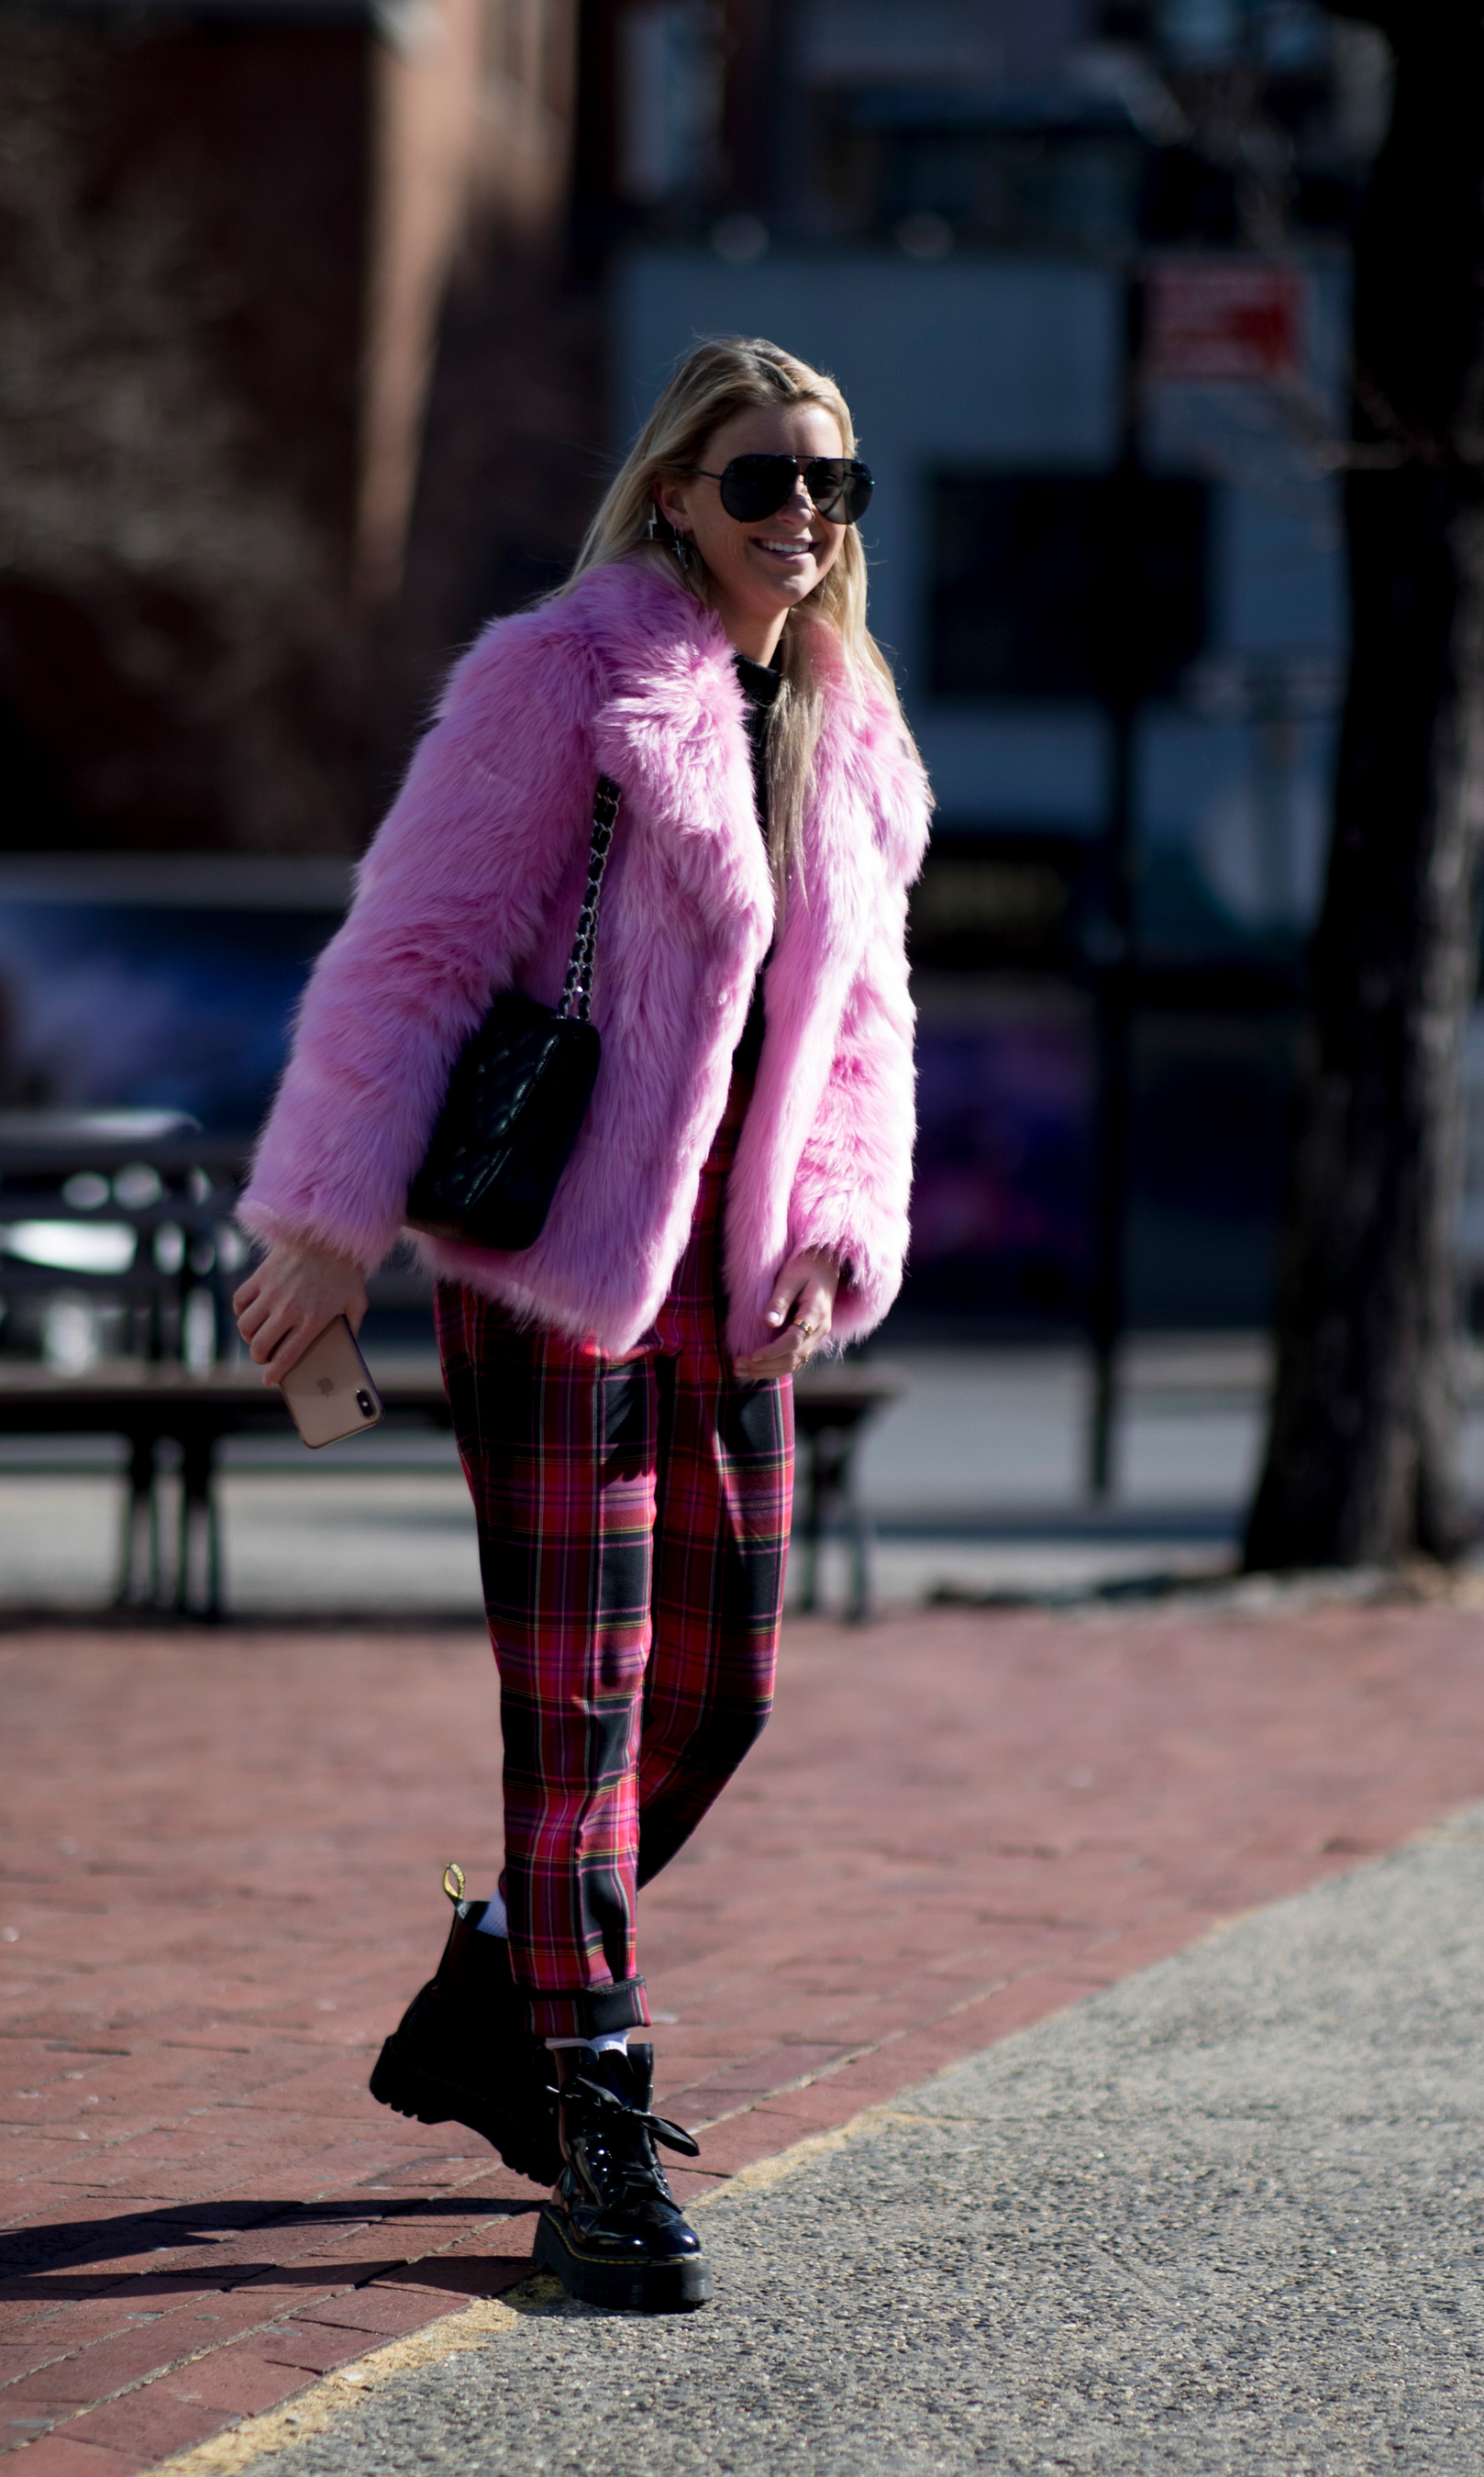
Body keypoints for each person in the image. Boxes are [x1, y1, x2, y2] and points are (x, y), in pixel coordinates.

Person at [233, 336, 929, 2313]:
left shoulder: (852, 723)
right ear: (675, 495)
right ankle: (597, 2132)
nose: (802, 514)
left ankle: (495, 1996)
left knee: (726, 1694)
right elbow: (418, 947)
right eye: (762, 478)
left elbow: (865, 1024)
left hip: (733, 1290)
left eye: (832, 482)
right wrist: (324, 1223)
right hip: (559, 1275)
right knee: (585, 1713)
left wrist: (833, 1232)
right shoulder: (562, 677)